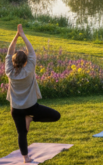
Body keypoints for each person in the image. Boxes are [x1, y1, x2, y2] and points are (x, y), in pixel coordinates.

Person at [5, 24, 61, 163]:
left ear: (13, 62)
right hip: (31, 107)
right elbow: (31, 51)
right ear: (25, 62)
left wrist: (15, 37)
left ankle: (26, 158)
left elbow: (9, 51)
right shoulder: (29, 69)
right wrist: (22, 34)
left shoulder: (9, 72)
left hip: (16, 109)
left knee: (21, 133)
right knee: (56, 116)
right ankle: (31, 119)